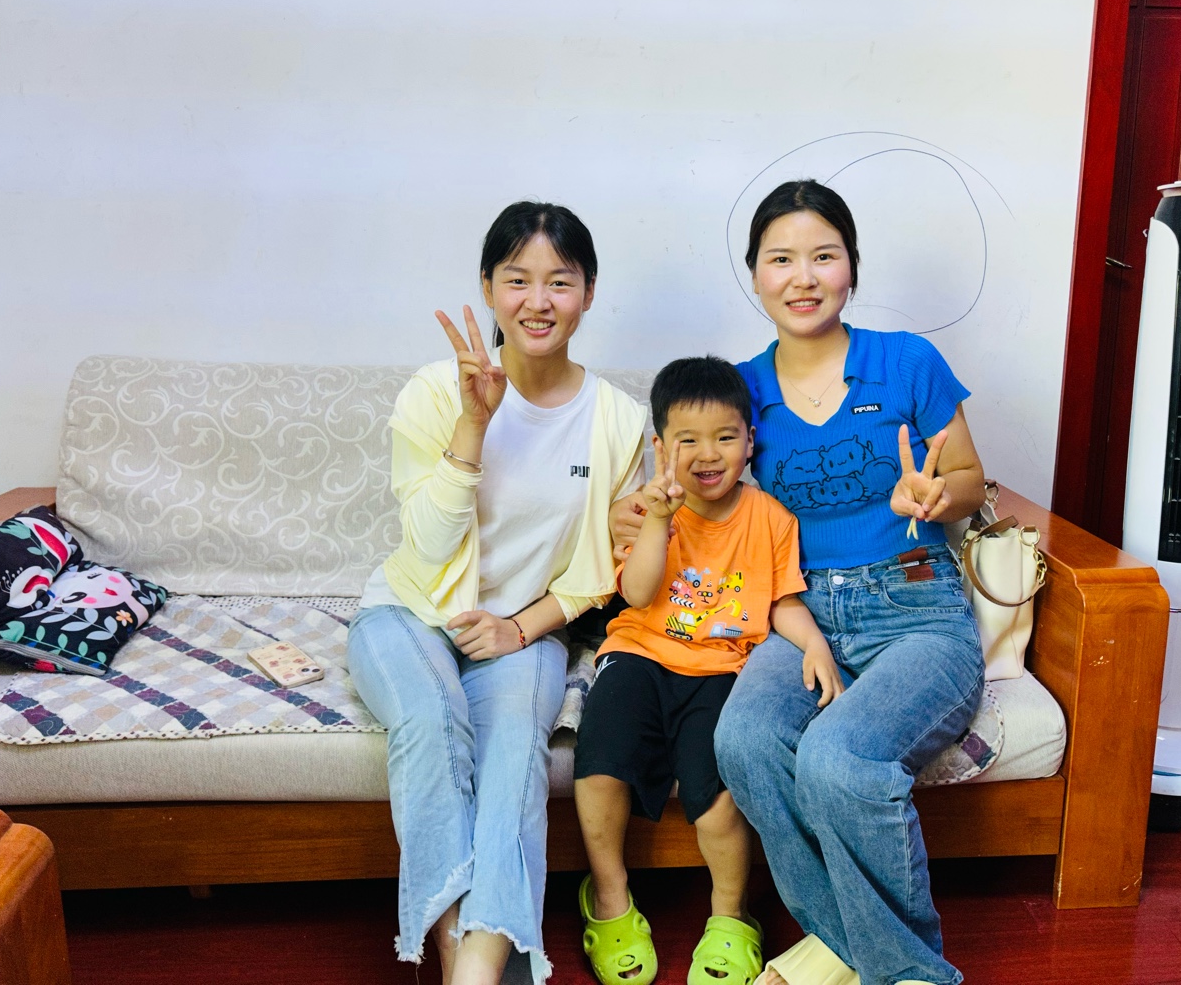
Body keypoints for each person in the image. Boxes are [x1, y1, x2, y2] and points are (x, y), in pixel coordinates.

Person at [612, 181, 988, 985]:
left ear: (852, 265)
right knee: (744, 740)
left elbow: (965, 477)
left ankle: (899, 972)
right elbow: (696, 484)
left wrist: (935, 495)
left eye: (824, 256)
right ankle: (857, 953)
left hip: (914, 603)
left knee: (839, 759)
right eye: (782, 259)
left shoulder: (906, 361)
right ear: (755, 274)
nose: (804, 277)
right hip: (797, 610)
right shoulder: (742, 391)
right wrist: (640, 510)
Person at [348, 201, 646, 985]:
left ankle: (478, 966)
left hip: (523, 629)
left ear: (588, 293)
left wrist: (521, 628)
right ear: (488, 288)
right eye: (517, 279)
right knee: (431, 718)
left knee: (515, 752)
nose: (538, 301)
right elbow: (427, 548)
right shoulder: (432, 392)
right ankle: (459, 951)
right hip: (409, 613)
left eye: (560, 281)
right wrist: (473, 425)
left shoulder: (617, 419)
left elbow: (599, 568)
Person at [575, 356, 843, 985]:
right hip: (638, 654)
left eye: (725, 436)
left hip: (723, 668)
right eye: (687, 440)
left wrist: (815, 644)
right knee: (600, 762)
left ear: (750, 441)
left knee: (717, 795)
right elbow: (637, 594)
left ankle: (731, 914)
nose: (707, 454)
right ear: (660, 448)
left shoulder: (771, 518)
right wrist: (659, 520)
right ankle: (608, 895)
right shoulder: (646, 512)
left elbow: (781, 600)